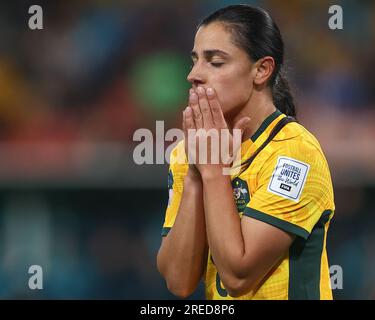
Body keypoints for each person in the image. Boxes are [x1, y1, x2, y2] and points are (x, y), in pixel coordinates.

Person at [156, 4, 335, 300]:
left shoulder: (294, 154)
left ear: (261, 70)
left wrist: (213, 170)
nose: (194, 75)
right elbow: (178, 281)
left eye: (215, 62)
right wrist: (195, 177)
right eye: (195, 60)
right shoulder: (188, 152)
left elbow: (238, 275)